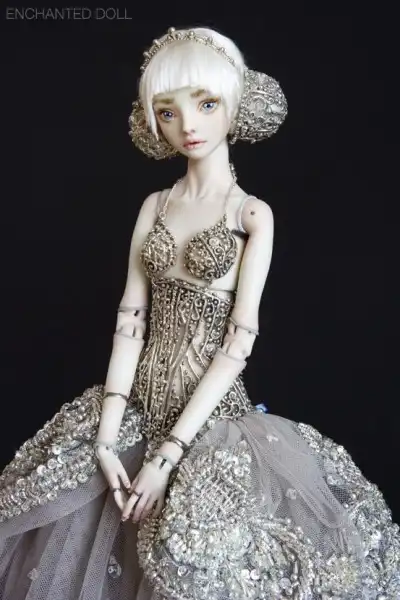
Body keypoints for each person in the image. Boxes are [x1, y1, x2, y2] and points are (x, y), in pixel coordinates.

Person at [0, 25, 399, 600]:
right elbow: (130, 322)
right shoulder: (155, 206)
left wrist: (168, 455)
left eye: (206, 104)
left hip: (209, 426)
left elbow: (237, 344)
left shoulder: (250, 216)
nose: (188, 124)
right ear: (153, 122)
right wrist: (107, 438)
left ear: (235, 105)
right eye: (168, 111)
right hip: (133, 410)